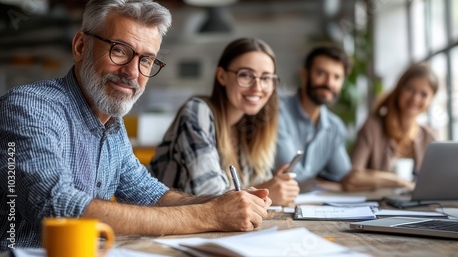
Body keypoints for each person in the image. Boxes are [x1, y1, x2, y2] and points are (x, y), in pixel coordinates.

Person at [0, 0, 271, 250]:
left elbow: (151, 195)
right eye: (119, 50)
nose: (132, 72)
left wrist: (224, 201)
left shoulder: (112, 125)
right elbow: (56, 207)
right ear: (81, 46)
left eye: (146, 60)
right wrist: (210, 215)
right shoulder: (29, 107)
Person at [150, 38, 300, 206]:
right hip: (168, 226)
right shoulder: (197, 112)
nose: (257, 87)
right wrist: (267, 190)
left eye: (266, 78)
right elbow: (209, 196)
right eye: (246, 75)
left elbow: (254, 189)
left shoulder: (250, 126)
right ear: (222, 76)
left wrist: (273, 186)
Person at [342, 63, 439, 191]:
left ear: (431, 100)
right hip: (376, 205)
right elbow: (352, 178)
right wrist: (399, 182)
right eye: (410, 89)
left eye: (424, 94)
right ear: (399, 89)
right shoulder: (373, 127)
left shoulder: (430, 136)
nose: (415, 98)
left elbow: (436, 181)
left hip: (417, 209)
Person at [275, 46, 352, 191]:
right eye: (321, 73)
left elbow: (344, 176)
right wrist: (321, 183)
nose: (329, 83)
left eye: (337, 77)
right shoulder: (278, 112)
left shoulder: (335, 126)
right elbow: (293, 176)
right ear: (304, 75)